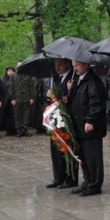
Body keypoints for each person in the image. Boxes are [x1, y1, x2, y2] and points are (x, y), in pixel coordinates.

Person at [68, 59, 108, 196]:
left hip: (90, 127)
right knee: (83, 157)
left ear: (86, 65)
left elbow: (95, 103)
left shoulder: (93, 81)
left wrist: (90, 120)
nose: (75, 69)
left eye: (77, 65)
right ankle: (87, 180)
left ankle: (95, 184)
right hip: (79, 125)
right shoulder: (78, 80)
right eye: (73, 66)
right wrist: (70, 90)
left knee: (93, 157)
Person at [46, 58, 78, 189]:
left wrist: (67, 95)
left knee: (67, 149)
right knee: (56, 149)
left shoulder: (73, 77)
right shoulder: (56, 78)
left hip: (67, 119)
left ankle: (70, 178)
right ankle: (58, 177)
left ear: (67, 64)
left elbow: (73, 97)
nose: (57, 67)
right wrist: (49, 96)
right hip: (55, 119)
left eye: (60, 64)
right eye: (55, 65)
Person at [9, 65, 37, 137]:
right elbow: (11, 88)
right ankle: (19, 130)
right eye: (18, 66)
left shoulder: (28, 76)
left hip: (26, 98)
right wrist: (12, 98)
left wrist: (32, 97)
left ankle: (25, 129)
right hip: (17, 99)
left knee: (26, 115)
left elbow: (32, 87)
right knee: (17, 115)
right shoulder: (13, 76)